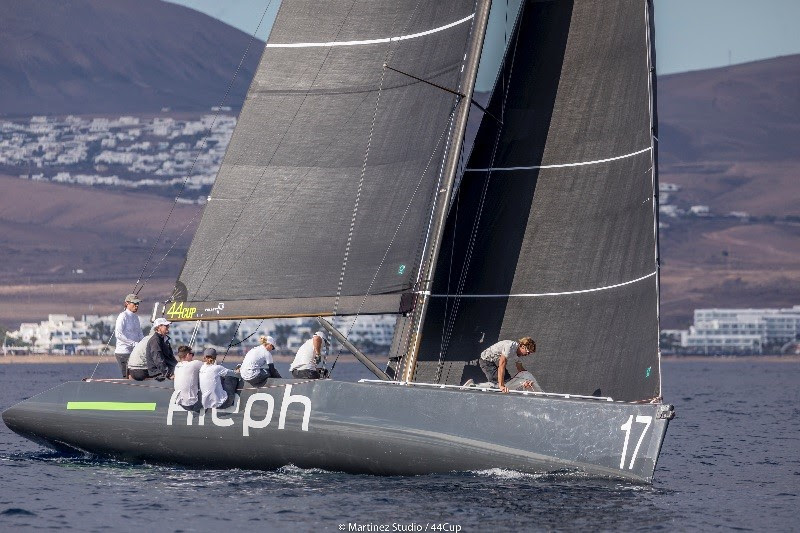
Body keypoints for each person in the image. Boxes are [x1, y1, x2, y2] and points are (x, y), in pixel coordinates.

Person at [114, 293, 143, 378]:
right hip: (123, 352)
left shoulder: (136, 317)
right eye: (134, 303)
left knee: (136, 375)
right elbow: (118, 334)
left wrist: (143, 343)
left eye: (138, 303)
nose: (137, 306)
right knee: (128, 376)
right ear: (127, 303)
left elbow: (139, 333)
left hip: (134, 352)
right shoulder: (123, 316)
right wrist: (133, 343)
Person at [173, 346, 203, 410]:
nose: (193, 356)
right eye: (192, 354)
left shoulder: (177, 365)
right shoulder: (195, 363)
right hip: (193, 404)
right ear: (187, 355)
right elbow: (211, 367)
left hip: (181, 404)